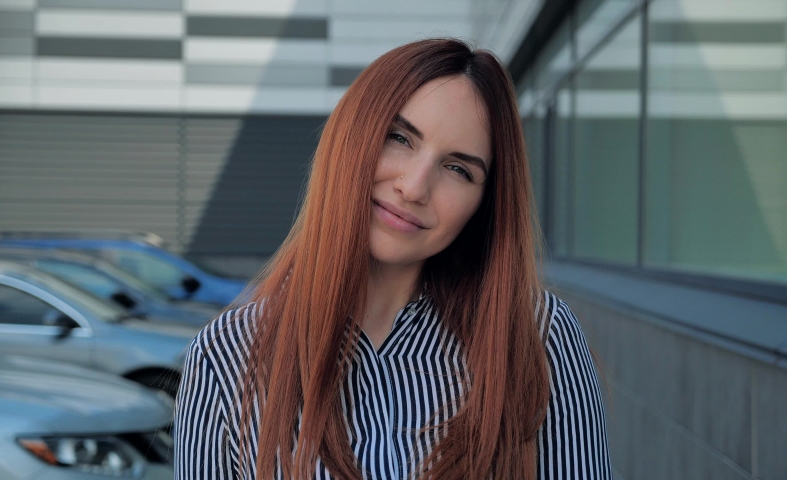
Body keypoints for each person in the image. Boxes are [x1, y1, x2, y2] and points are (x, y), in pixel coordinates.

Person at [174, 38, 611, 480]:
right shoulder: (226, 357)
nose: (415, 187)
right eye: (399, 138)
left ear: (485, 202)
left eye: (458, 169)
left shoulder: (538, 337)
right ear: (351, 138)